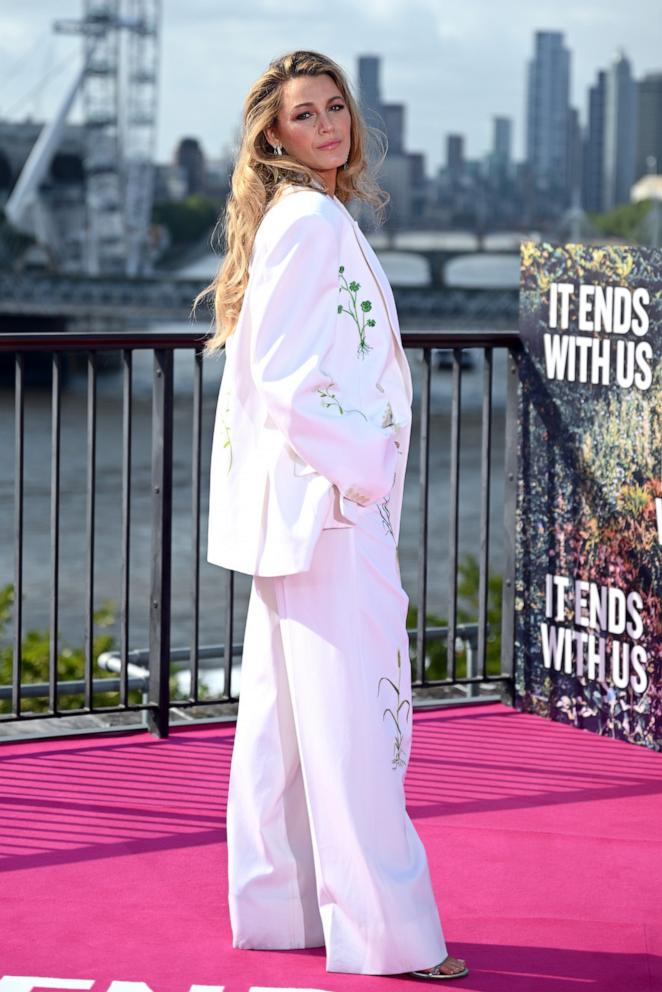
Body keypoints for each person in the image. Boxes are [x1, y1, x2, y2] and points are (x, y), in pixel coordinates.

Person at [195, 50, 469, 982]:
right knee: (356, 728)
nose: (327, 125)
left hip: (301, 510)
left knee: (281, 727)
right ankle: (390, 936)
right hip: (330, 509)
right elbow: (280, 373)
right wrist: (368, 459)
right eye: (304, 114)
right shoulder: (311, 222)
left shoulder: (304, 215)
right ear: (273, 133)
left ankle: (279, 910)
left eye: (335, 108)